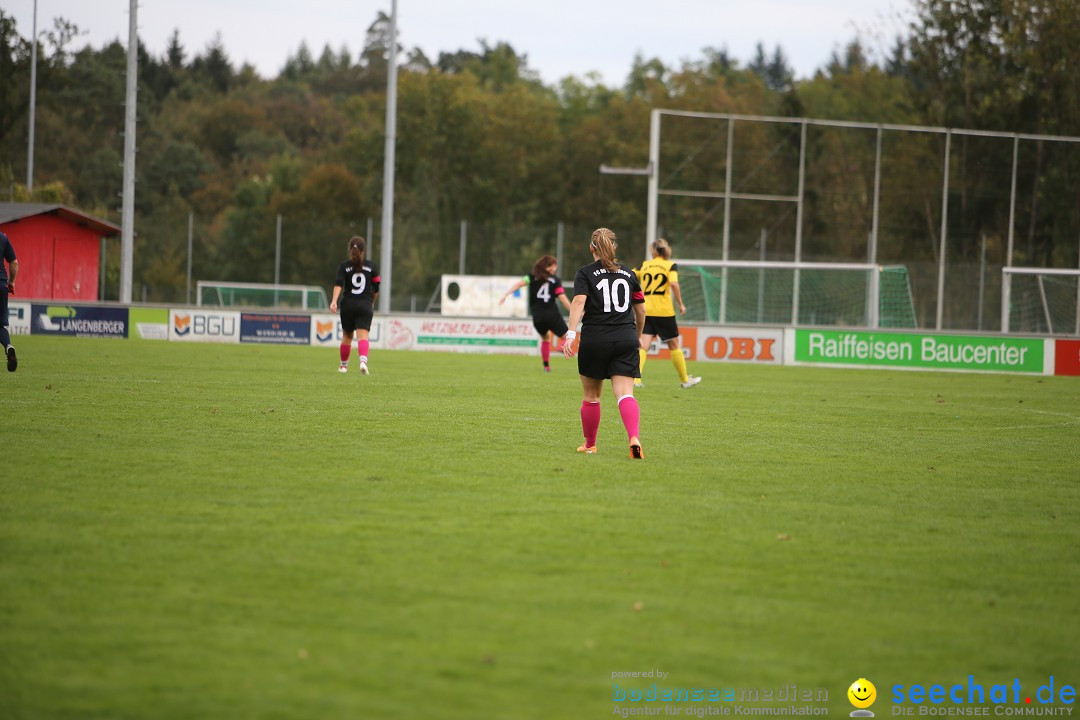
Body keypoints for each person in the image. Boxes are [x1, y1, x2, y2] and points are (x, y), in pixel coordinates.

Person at [563, 228, 646, 459]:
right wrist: (637, 335)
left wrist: (571, 333)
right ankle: (634, 438)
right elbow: (641, 310)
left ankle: (590, 445)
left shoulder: (585, 273)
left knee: (591, 396)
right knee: (625, 394)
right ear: (614, 247)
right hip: (625, 338)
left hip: (595, 340)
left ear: (592, 248)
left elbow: (579, 302)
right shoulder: (629, 274)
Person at [633, 237, 701, 389]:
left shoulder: (645, 265)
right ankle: (685, 380)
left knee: (643, 345)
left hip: (646, 310)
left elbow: (630, 276)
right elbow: (674, 284)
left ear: (653, 251)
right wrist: (681, 304)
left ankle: (636, 380)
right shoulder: (670, 265)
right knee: (674, 345)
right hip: (664, 311)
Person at [499, 254, 573, 372]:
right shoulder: (555, 280)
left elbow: (519, 284)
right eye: (554, 266)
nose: (556, 268)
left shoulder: (532, 277)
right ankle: (562, 346)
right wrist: (574, 311)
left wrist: (506, 294)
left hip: (537, 316)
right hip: (551, 314)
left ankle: (546, 366)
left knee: (545, 338)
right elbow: (562, 298)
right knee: (567, 336)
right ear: (548, 267)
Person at [329, 236, 379, 374]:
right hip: (365, 304)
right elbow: (376, 288)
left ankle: (343, 366)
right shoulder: (371, 266)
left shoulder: (344, 266)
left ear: (350, 249)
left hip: (348, 305)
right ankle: (363, 362)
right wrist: (371, 302)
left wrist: (334, 301)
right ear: (363, 250)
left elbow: (338, 283)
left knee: (347, 336)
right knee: (362, 335)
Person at [1, 230, 17, 373]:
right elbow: (14, 262)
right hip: (1, 285)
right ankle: (8, 346)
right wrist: (11, 282)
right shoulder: (3, 237)